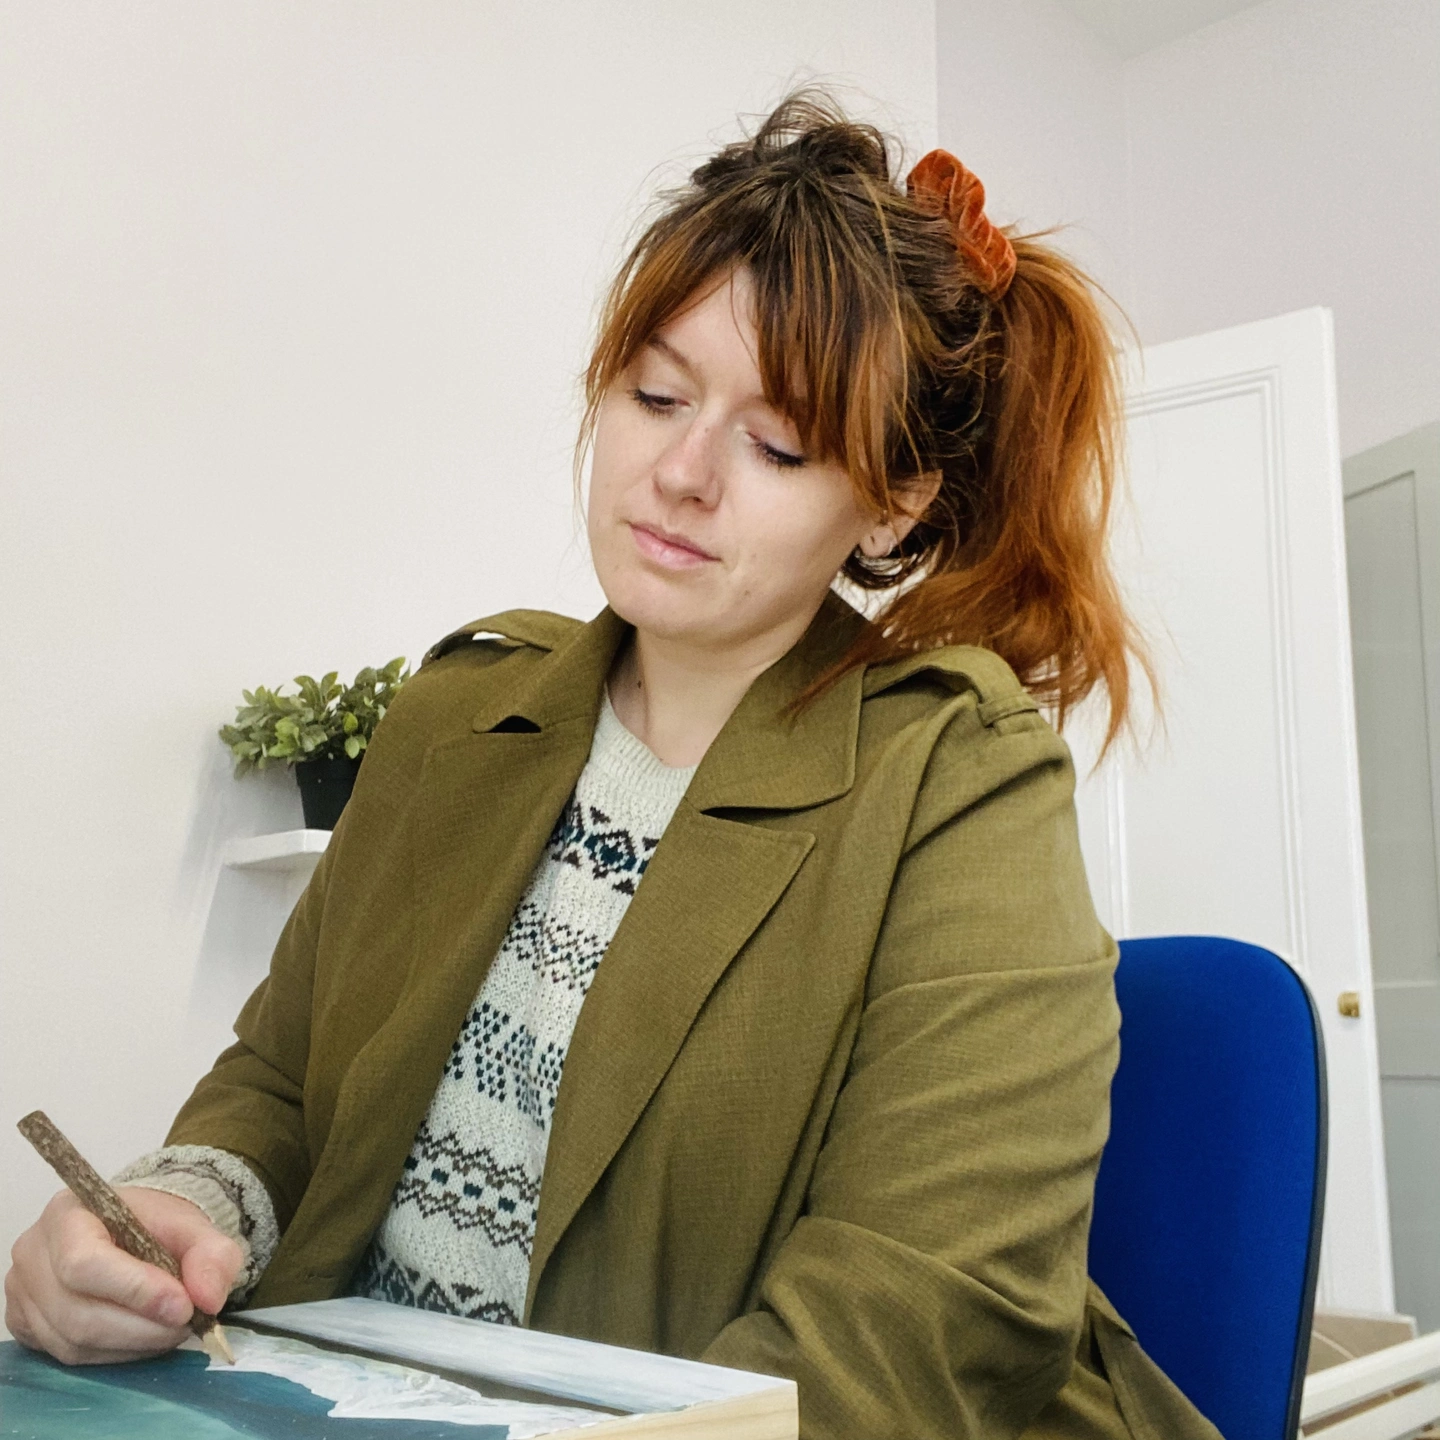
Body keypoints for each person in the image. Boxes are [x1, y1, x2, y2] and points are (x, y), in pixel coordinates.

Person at [5, 93, 1221, 1439]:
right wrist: (181, 1206)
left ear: (893, 498)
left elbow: (926, 1312)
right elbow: (286, 1082)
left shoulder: (959, 773)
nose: (683, 472)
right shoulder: (460, 713)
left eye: (777, 443)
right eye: (656, 393)